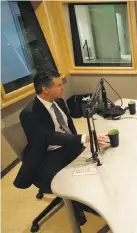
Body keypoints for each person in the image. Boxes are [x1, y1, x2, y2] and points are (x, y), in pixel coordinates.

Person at [14, 70, 108, 223]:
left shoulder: (58, 101)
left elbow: (69, 127)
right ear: (45, 89)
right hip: (47, 155)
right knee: (69, 179)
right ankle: (75, 205)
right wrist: (84, 138)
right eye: (58, 85)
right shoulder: (30, 113)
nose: (63, 88)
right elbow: (49, 137)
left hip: (67, 146)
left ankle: (89, 199)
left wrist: (80, 142)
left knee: (97, 161)